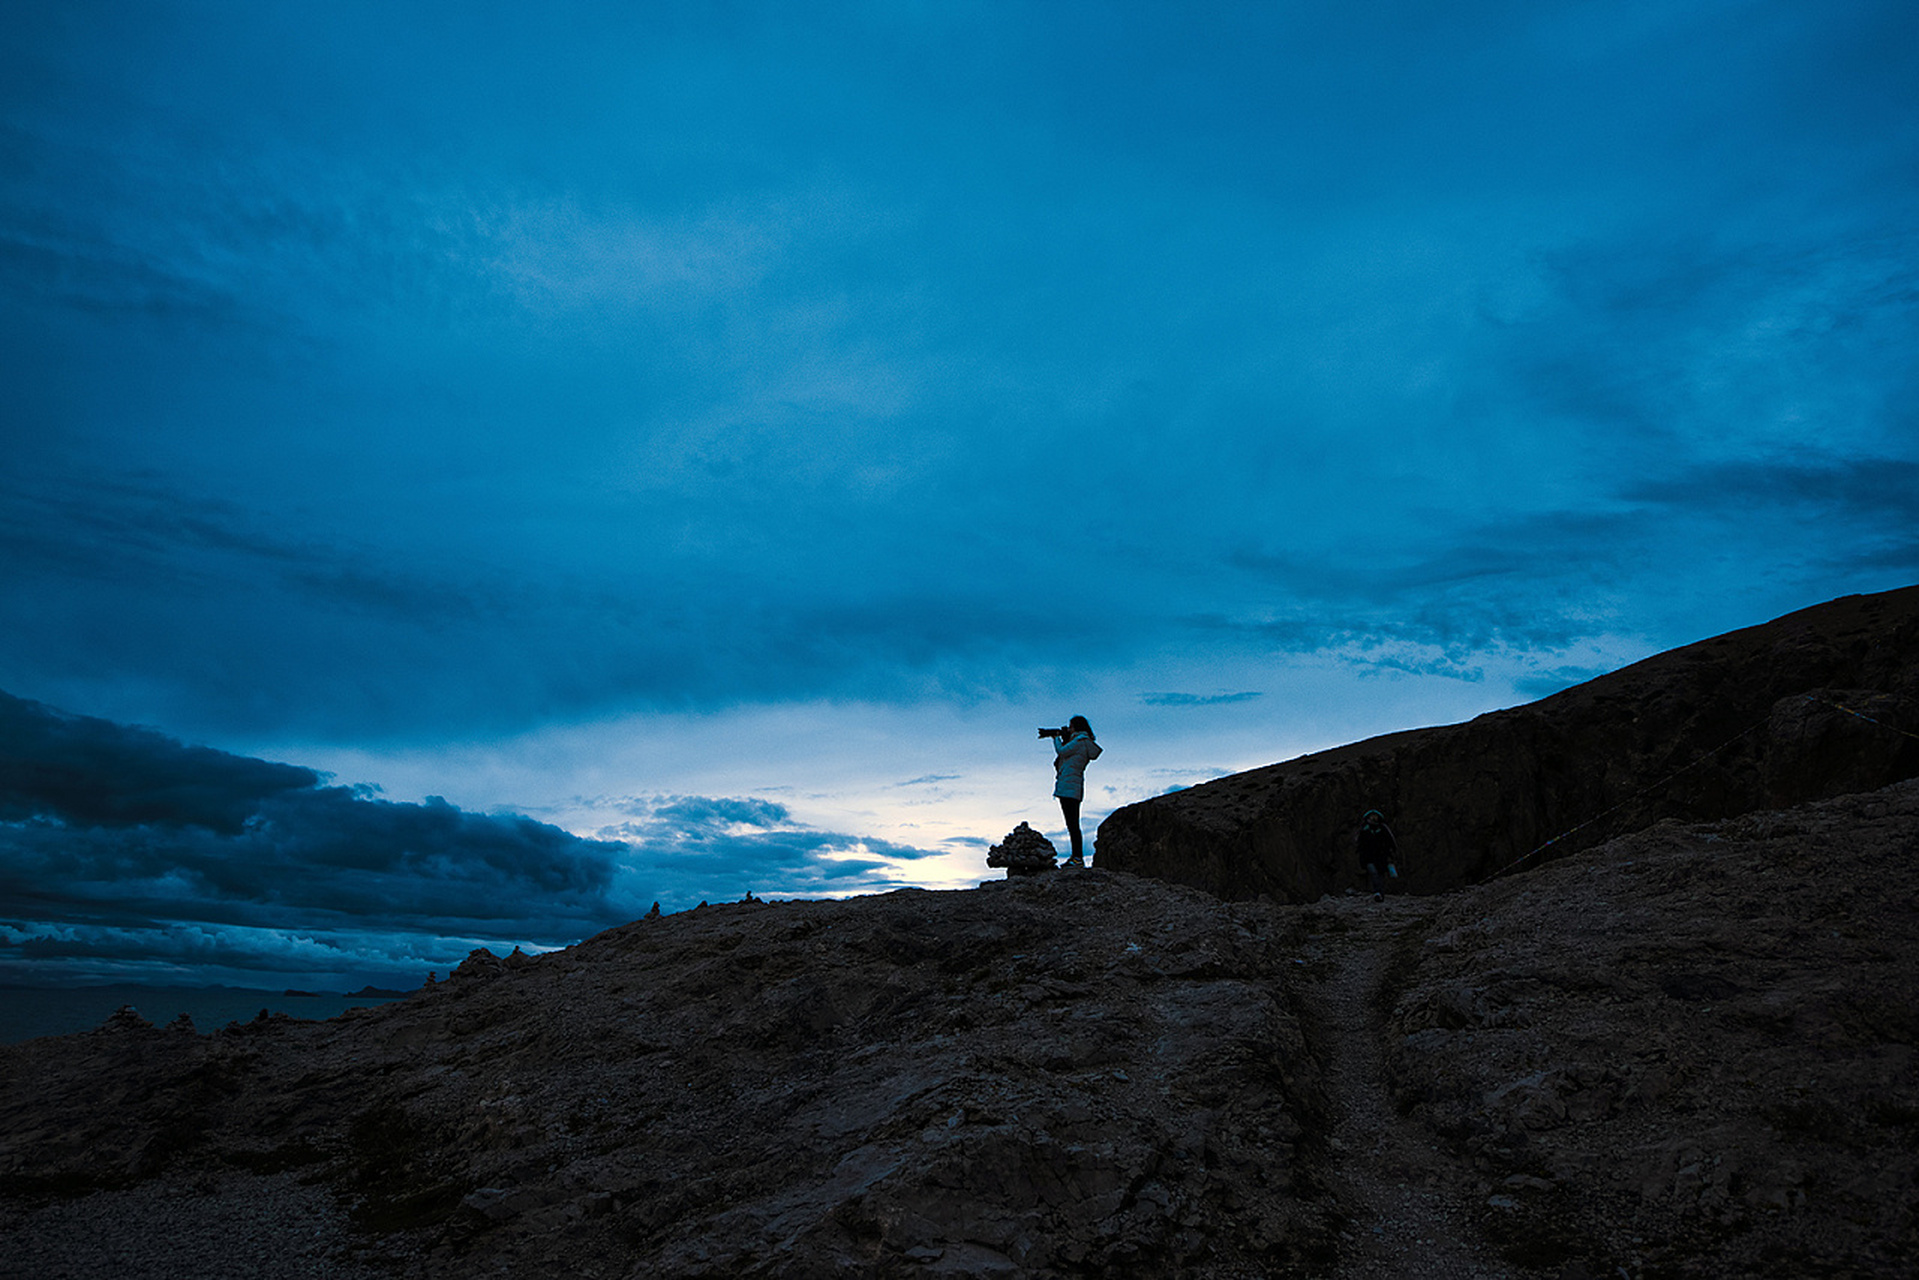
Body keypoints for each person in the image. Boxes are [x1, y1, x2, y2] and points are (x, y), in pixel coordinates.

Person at [1044, 716, 1102, 867]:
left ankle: (1077, 858)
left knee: (1073, 825)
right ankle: (1076, 857)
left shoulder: (1079, 741)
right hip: (1073, 787)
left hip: (1069, 787)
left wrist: (1056, 738)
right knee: (1073, 824)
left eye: (1071, 727)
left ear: (1076, 727)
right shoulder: (1081, 742)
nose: (1069, 729)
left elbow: (1061, 752)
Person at [1356, 808, 1398, 902]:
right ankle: (1377, 892)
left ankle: (1380, 893)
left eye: (1375, 816)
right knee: (1373, 873)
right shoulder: (1364, 829)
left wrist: (1391, 853)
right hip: (1368, 857)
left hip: (1381, 857)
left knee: (1380, 875)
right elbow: (1359, 843)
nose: (1374, 818)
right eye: (1372, 816)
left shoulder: (1383, 828)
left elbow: (1391, 841)